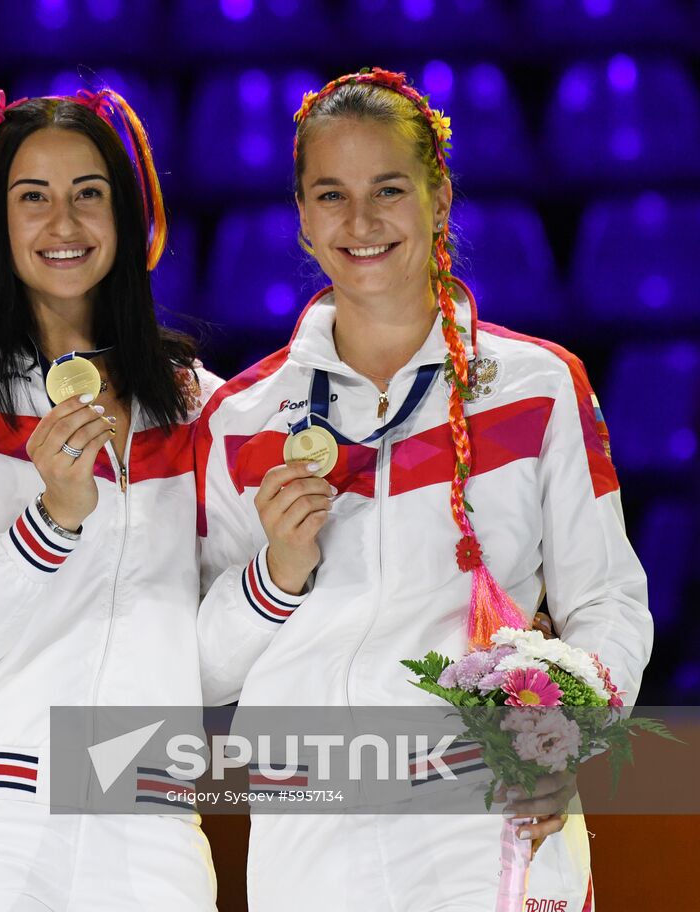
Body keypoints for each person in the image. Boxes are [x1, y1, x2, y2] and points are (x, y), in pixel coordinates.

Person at [195, 68, 653, 910]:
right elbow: (203, 668)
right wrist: (276, 574)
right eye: (330, 194)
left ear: (439, 198)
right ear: (300, 216)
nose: (360, 222)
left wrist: (568, 733)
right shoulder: (241, 417)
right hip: (311, 837)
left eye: (389, 190)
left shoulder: (537, 384)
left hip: (487, 822)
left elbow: (611, 602)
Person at [0, 88, 221, 910]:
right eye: (32, 198)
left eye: (88, 194)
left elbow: (219, 643)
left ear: (128, 215)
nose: (63, 223)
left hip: (147, 815)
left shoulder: (200, 403)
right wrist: (51, 518)